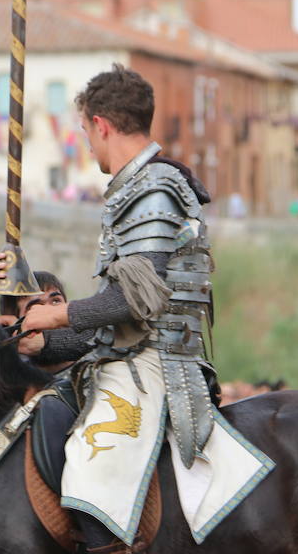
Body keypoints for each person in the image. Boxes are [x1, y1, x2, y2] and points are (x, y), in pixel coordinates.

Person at [22, 64, 216, 552]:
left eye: (86, 131)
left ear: (101, 124)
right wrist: (44, 343)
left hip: (157, 364)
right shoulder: (133, 189)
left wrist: (54, 316)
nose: (87, 144)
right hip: (126, 357)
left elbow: (135, 300)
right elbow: (112, 329)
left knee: (93, 476)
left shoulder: (153, 188)